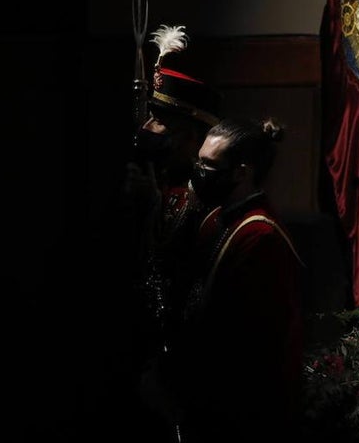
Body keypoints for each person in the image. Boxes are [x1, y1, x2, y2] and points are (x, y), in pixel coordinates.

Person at [167, 116, 305, 441]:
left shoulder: (260, 236)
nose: (197, 173)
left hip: (240, 415)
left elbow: (248, 347)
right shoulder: (217, 218)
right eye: (197, 161)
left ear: (241, 172)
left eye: (207, 165)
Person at [123, 25, 223, 436]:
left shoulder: (208, 206)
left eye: (161, 120)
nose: (149, 127)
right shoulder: (154, 189)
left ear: (192, 134)